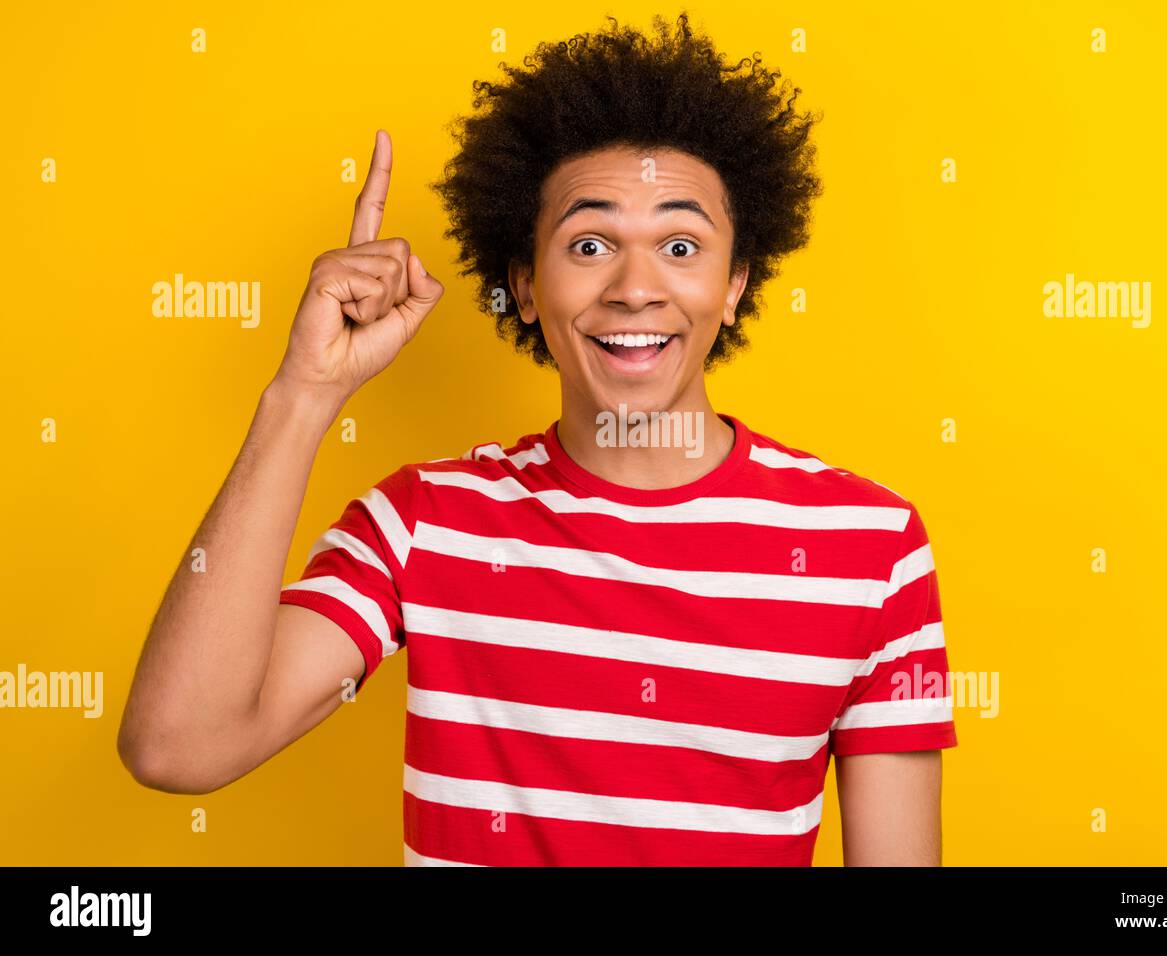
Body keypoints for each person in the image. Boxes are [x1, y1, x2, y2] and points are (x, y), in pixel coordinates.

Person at [118, 11, 957, 866]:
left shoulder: (870, 547)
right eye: (589, 243)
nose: (636, 288)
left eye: (679, 244)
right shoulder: (423, 524)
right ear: (523, 284)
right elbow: (178, 748)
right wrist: (304, 392)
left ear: (735, 283)